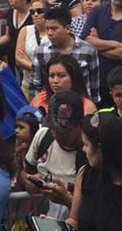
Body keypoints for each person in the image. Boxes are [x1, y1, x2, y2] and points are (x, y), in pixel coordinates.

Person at [22, 91, 87, 220]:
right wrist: (29, 182)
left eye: (65, 131)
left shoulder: (89, 153)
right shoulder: (43, 137)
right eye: (54, 129)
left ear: (79, 125)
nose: (58, 135)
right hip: (41, 218)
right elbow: (25, 173)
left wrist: (68, 201)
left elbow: (98, 208)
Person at [28, 4, 100, 102]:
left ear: (67, 28)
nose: (49, 33)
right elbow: (35, 85)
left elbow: (94, 86)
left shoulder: (88, 50)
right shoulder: (41, 51)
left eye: (54, 28)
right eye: (47, 29)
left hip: (81, 105)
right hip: (51, 105)